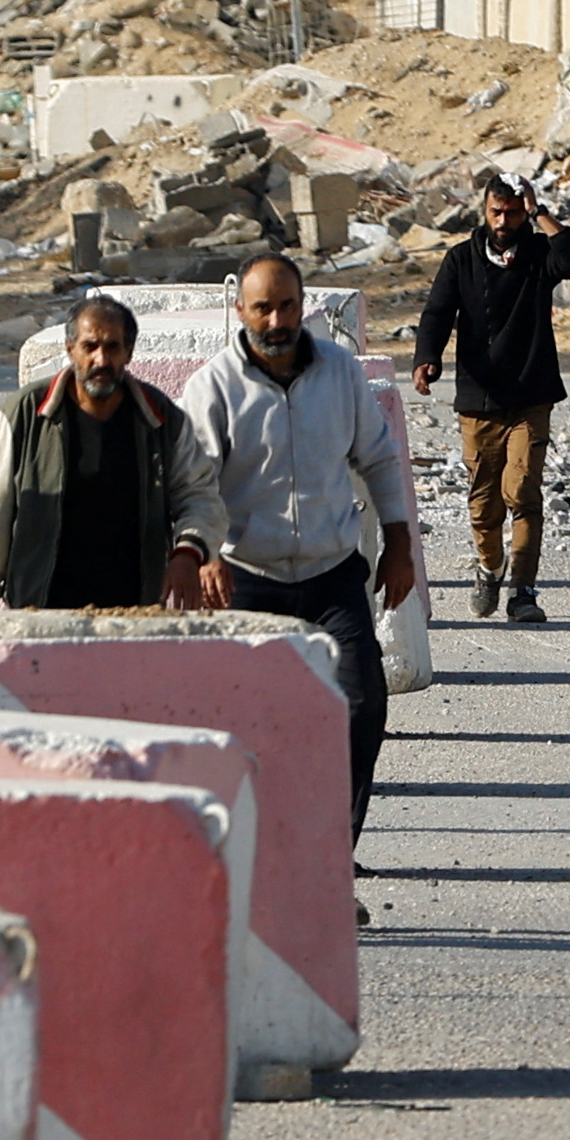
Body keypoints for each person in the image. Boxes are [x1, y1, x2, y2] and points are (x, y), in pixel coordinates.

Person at [185, 255, 419, 851]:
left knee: (361, 705)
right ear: (240, 309)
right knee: (246, 720)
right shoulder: (213, 386)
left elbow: (378, 457)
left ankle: (330, 855)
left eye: (287, 306)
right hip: (247, 579)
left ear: (302, 305)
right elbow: (194, 486)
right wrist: (205, 554)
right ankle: (257, 851)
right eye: (262, 308)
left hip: (331, 574)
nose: (276, 320)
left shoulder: (340, 373)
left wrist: (399, 542)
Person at [0, 293, 222, 610]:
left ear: (129, 352)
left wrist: (188, 552)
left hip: (133, 611)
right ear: (70, 349)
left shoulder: (160, 418)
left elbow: (198, 496)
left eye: (112, 347)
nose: (101, 360)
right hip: (41, 609)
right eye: (90, 346)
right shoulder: (25, 414)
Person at [412, 171, 570, 623]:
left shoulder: (539, 254)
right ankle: (490, 568)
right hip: (479, 398)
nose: (503, 221)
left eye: (513, 213)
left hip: (530, 395)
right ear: (484, 210)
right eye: (496, 211)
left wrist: (540, 211)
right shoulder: (461, 259)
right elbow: (438, 312)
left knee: (524, 492)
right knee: (483, 503)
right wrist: (426, 358)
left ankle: (523, 591)